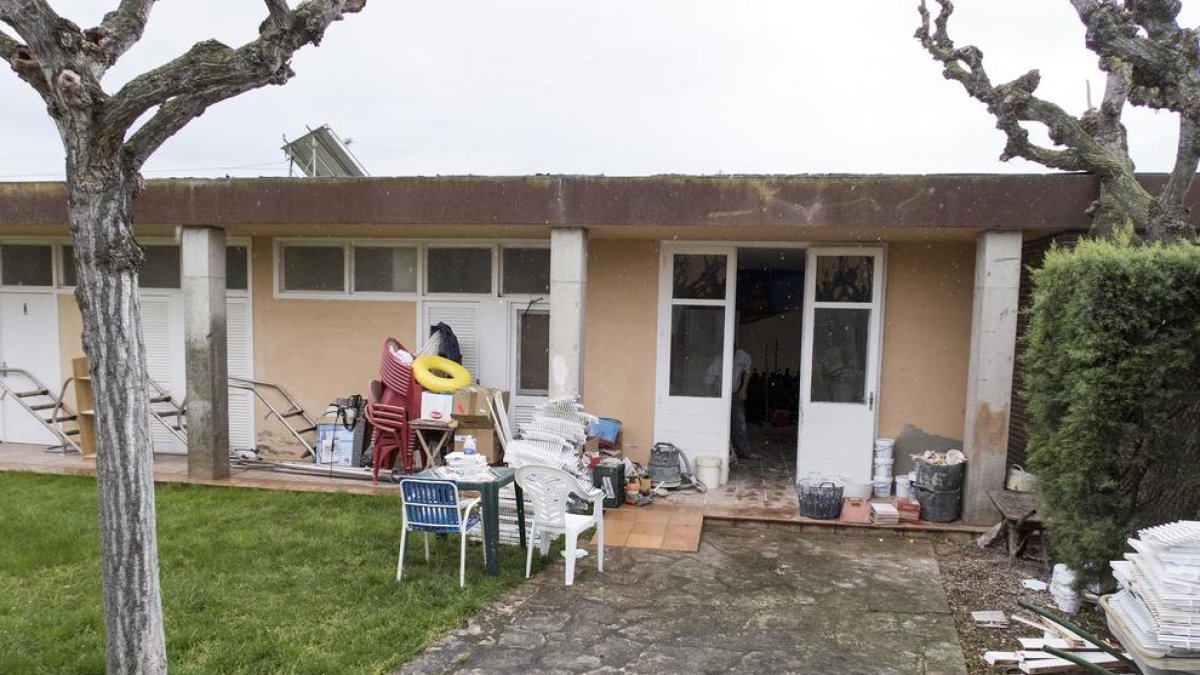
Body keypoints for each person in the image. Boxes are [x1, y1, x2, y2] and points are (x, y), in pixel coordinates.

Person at [730, 345, 754, 460]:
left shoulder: (743, 356)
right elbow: (708, 380)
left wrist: (744, 389)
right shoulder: (718, 359)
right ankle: (730, 450)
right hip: (720, 393)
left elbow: (747, 370)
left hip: (735, 392)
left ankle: (744, 451)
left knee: (739, 422)